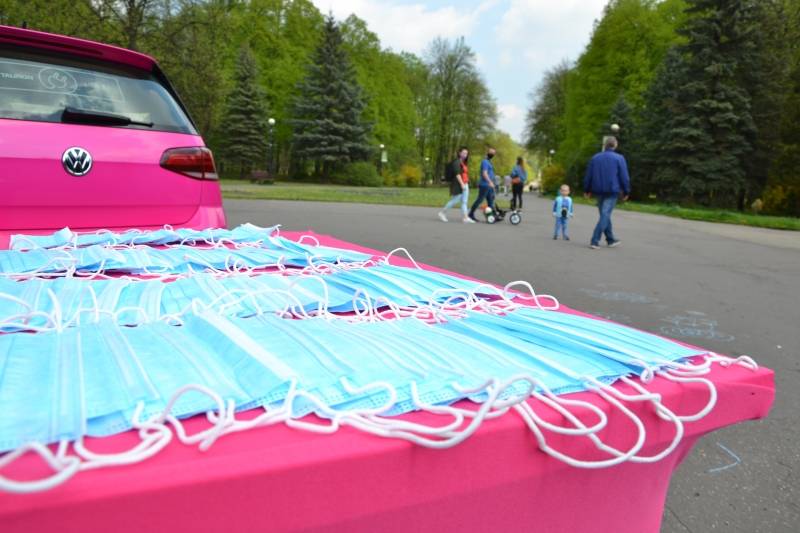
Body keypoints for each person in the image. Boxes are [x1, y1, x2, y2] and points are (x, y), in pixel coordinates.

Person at [583, 136, 630, 249]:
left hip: (598, 190)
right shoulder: (619, 158)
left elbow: (588, 175)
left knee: (605, 215)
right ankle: (594, 240)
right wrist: (626, 191)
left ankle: (610, 240)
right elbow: (624, 177)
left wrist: (587, 190)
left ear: (605, 145)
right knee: (605, 215)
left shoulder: (595, 158)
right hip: (612, 191)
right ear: (615, 145)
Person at [438, 147, 474, 223]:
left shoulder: (464, 162)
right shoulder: (456, 162)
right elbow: (457, 174)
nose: (465, 155)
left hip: (465, 183)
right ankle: (442, 213)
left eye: (466, 153)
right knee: (455, 200)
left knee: (464, 201)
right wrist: (462, 184)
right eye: (463, 153)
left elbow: (464, 174)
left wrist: (465, 183)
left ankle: (465, 217)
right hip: (458, 184)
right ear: (459, 153)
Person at [468, 147, 497, 222]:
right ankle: (470, 214)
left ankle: (492, 216)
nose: (492, 154)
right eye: (491, 152)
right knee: (479, 200)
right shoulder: (485, 162)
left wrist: (492, 183)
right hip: (485, 185)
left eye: (493, 153)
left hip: (489, 185)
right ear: (487, 152)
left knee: (490, 201)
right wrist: (490, 182)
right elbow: (484, 173)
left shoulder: (489, 162)